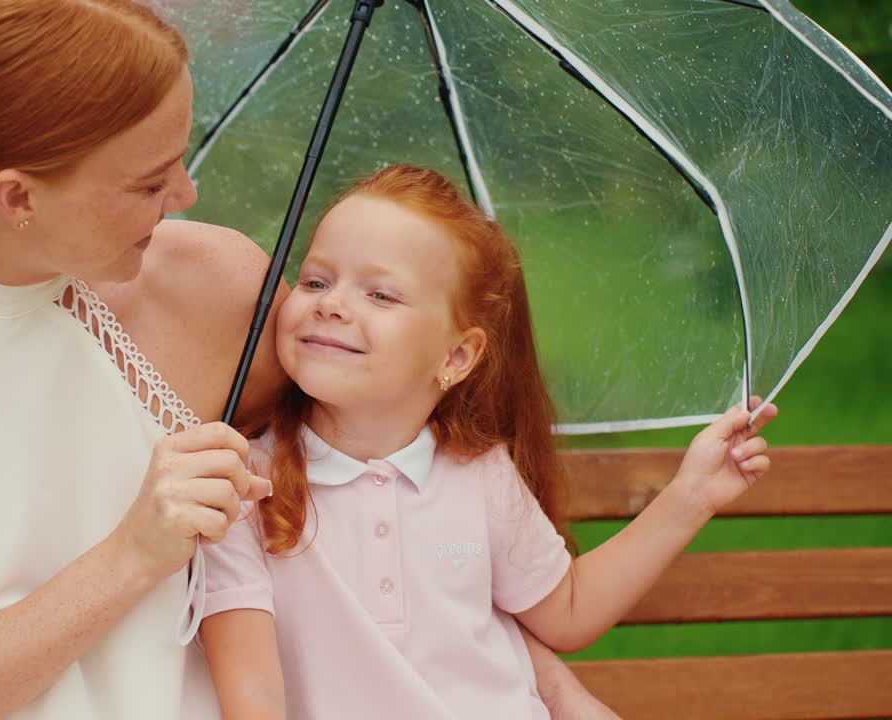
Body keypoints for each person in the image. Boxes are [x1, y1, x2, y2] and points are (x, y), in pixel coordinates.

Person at [0, 2, 620, 718]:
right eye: (149, 181)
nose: (187, 195)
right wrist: (132, 555)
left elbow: (393, 495)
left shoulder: (221, 286)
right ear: (17, 196)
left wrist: (544, 685)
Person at [199, 164, 778, 719]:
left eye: (381, 295)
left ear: (456, 357)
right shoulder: (242, 484)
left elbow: (568, 610)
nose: (330, 304)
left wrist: (691, 496)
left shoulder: (481, 475)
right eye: (316, 280)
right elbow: (253, 694)